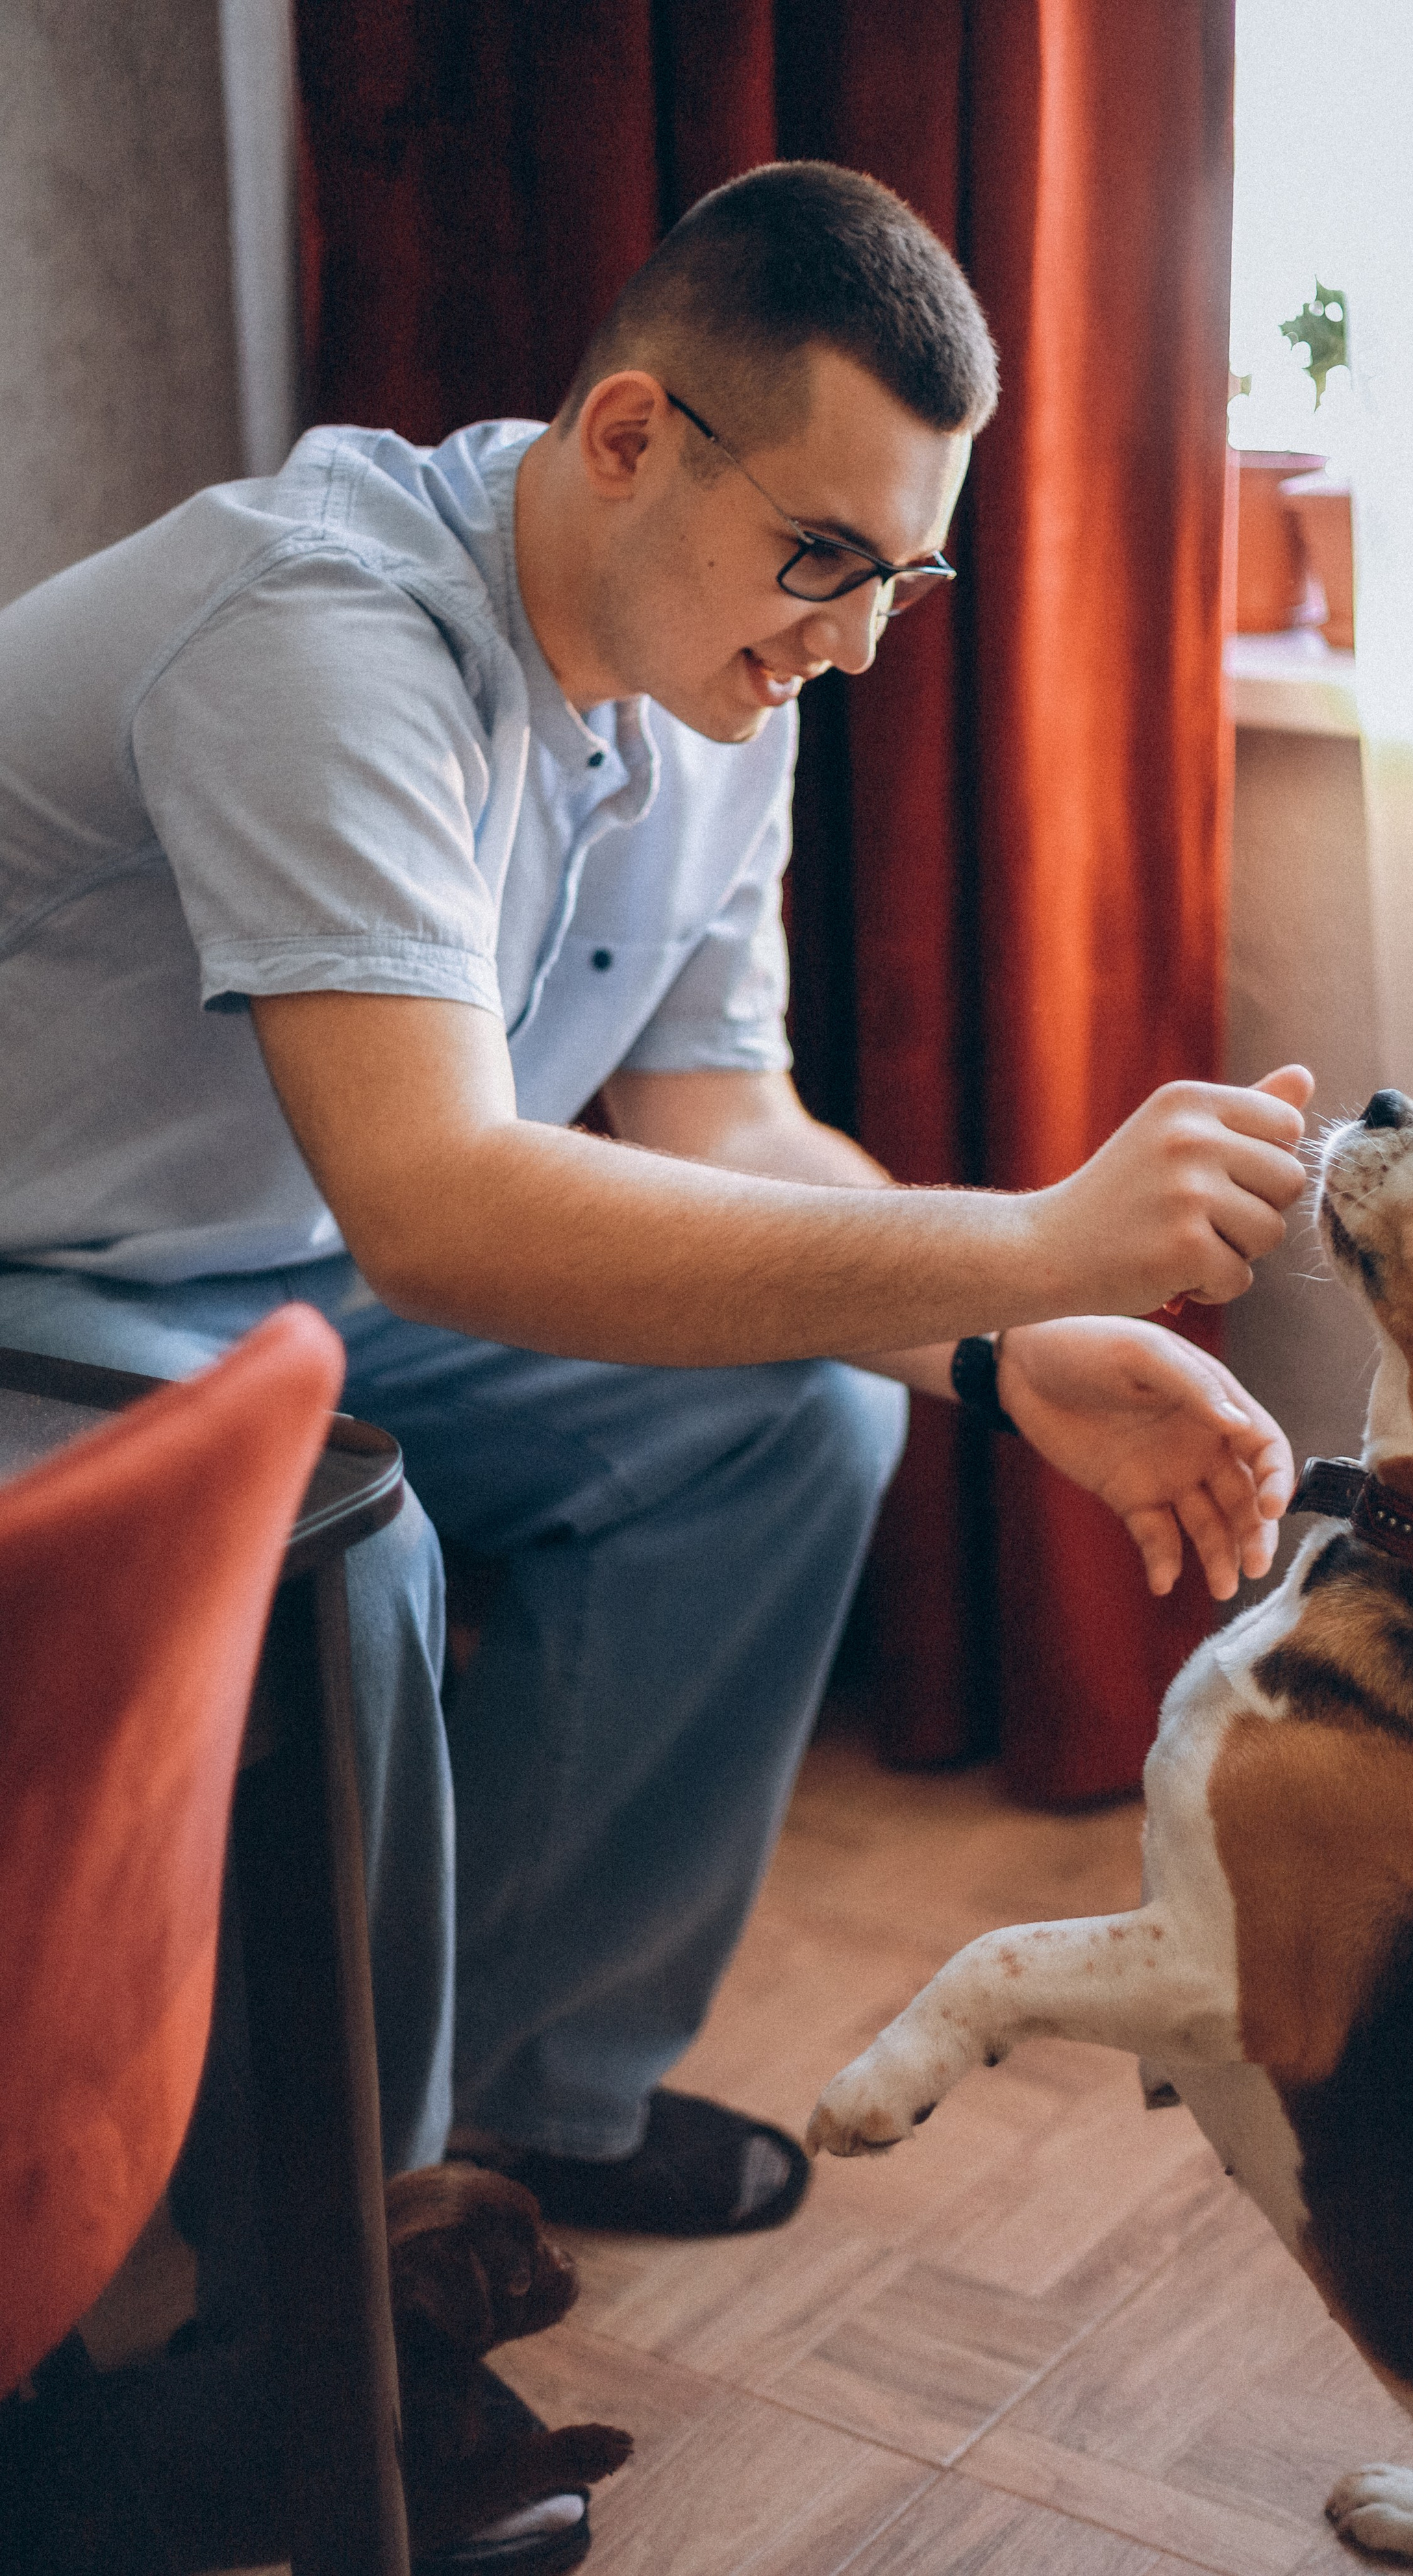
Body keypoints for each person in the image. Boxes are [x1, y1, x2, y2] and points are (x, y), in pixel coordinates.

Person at [0, 158, 1310, 2560]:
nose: (863, 636)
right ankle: (315, 2311)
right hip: (38, 1274)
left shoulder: (729, 676)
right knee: (344, 1537)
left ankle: (527, 2084)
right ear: (628, 436)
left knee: (795, 1414)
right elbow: (449, 1201)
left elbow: (729, 1131)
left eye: (905, 577)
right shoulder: (320, 629)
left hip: (270, 1244)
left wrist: (1013, 1344)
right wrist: (1020, 1230)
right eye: (828, 556)